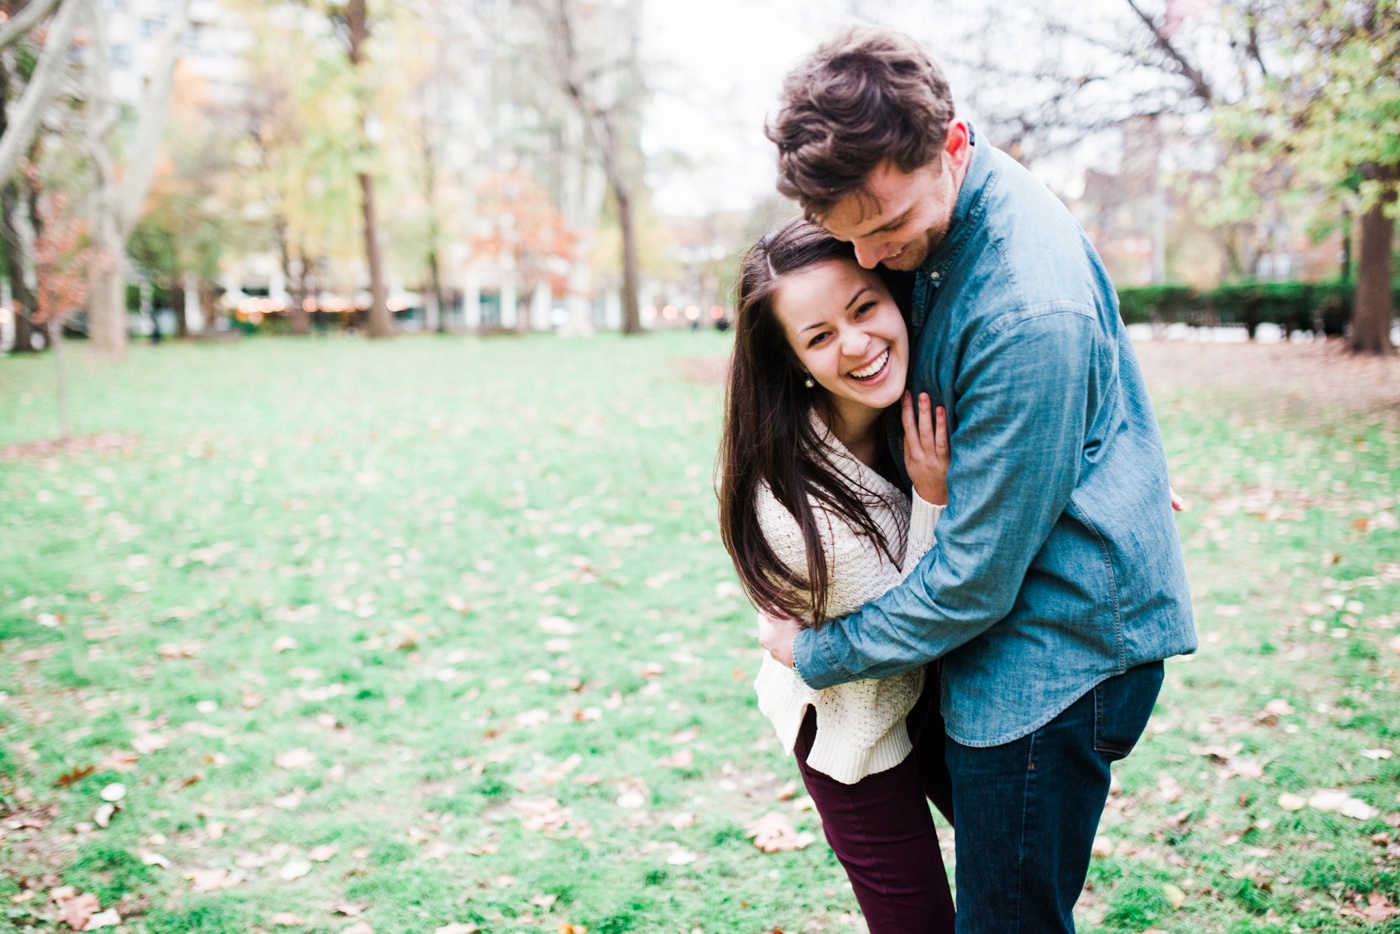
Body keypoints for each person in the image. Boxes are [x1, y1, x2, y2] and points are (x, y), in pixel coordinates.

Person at [756, 25, 1197, 933]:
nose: (872, 261)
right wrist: (1097, 454)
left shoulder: (1026, 307)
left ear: (952, 143)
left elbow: (971, 586)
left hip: (1049, 660)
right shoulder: (942, 212)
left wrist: (814, 653)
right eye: (850, 237)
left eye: (883, 231)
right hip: (996, 634)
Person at [718, 217, 956, 932]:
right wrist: (933, 498)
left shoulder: (919, 389)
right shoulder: (794, 510)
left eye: (863, 308)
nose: (856, 343)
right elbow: (917, 621)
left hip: (943, 699)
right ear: (792, 360)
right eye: (819, 336)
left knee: (1015, 867)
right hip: (853, 726)